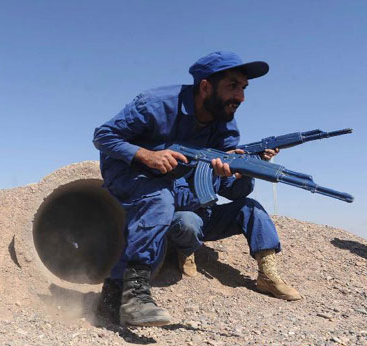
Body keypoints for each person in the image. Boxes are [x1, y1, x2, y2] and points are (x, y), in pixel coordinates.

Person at [92, 51, 299, 326]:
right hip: (129, 170)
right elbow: (103, 136)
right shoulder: (156, 104)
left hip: (184, 195)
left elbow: (232, 191)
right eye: (233, 86)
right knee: (159, 198)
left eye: (244, 88)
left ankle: (115, 293)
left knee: (237, 209)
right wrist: (147, 155)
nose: (241, 97)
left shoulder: (225, 126)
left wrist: (247, 169)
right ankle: (131, 296)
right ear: (205, 87)